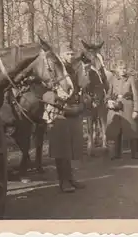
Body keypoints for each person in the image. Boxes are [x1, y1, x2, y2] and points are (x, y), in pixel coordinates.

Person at [45, 42, 88, 193]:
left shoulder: (71, 69)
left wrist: (81, 102)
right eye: (67, 54)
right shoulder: (53, 68)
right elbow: (45, 90)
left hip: (72, 111)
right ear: (61, 55)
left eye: (71, 54)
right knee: (61, 149)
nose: (70, 56)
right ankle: (63, 181)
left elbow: (78, 89)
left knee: (69, 148)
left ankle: (70, 178)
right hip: (58, 112)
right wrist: (57, 102)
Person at [105, 59, 138, 160]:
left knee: (132, 129)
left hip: (128, 106)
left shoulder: (131, 79)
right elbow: (108, 94)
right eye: (120, 68)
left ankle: (135, 153)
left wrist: (136, 110)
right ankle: (117, 154)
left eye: (124, 68)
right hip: (117, 106)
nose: (123, 70)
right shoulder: (113, 79)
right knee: (117, 129)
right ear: (117, 69)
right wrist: (108, 101)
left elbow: (136, 95)